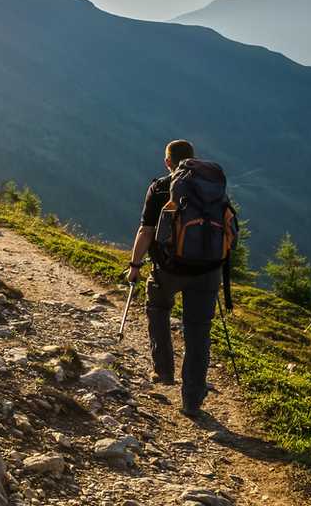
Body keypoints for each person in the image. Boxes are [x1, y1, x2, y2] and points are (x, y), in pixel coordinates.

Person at [125, 139, 223, 418]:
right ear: (193, 160)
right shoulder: (212, 188)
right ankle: (192, 400)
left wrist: (135, 265)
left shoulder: (159, 188)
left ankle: (164, 371)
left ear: (168, 162)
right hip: (208, 270)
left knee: (157, 308)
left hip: (169, 268)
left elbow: (145, 231)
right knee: (199, 330)